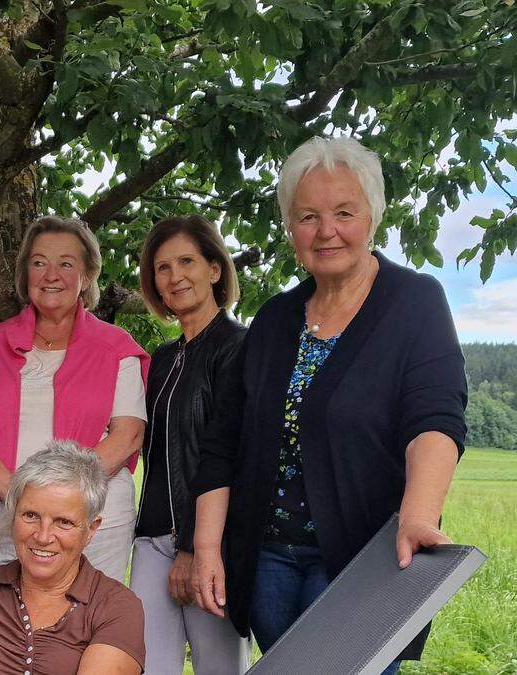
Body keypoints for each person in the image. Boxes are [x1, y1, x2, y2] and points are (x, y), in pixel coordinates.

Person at [190, 137, 468, 670]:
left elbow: (435, 418)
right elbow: (223, 442)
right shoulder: (273, 321)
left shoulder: (415, 302)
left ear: (373, 216)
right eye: (308, 216)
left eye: (344, 212)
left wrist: (418, 513)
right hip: (266, 562)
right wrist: (206, 548)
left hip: (365, 560)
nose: (326, 231)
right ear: (291, 228)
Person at [0, 215, 149, 578]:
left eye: (66, 264)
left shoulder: (117, 348)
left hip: (88, 520)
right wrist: (18, 493)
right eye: (39, 262)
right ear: (26, 273)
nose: (50, 274)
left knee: (80, 626)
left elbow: (128, 435)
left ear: (86, 277)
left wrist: (57, 501)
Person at [130, 214, 250, 674]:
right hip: (151, 541)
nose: (175, 276)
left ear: (215, 269)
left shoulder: (241, 348)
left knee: (220, 668)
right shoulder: (161, 358)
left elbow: (230, 456)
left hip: (209, 545)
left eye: (186, 261)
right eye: (162, 268)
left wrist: (192, 548)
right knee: (148, 665)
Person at [0, 442, 145, 674]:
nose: (43, 536)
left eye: (64, 522)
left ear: (91, 529)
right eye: (31, 515)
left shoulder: (115, 606)